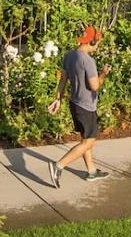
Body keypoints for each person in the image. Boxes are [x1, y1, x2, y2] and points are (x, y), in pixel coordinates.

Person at [47, 24, 109, 181]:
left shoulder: (69, 56)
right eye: (98, 42)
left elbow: (63, 79)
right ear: (92, 42)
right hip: (86, 106)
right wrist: (103, 74)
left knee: (85, 139)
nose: (98, 45)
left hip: (74, 104)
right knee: (89, 141)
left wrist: (57, 99)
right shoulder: (88, 61)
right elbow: (94, 86)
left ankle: (92, 171)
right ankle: (58, 166)